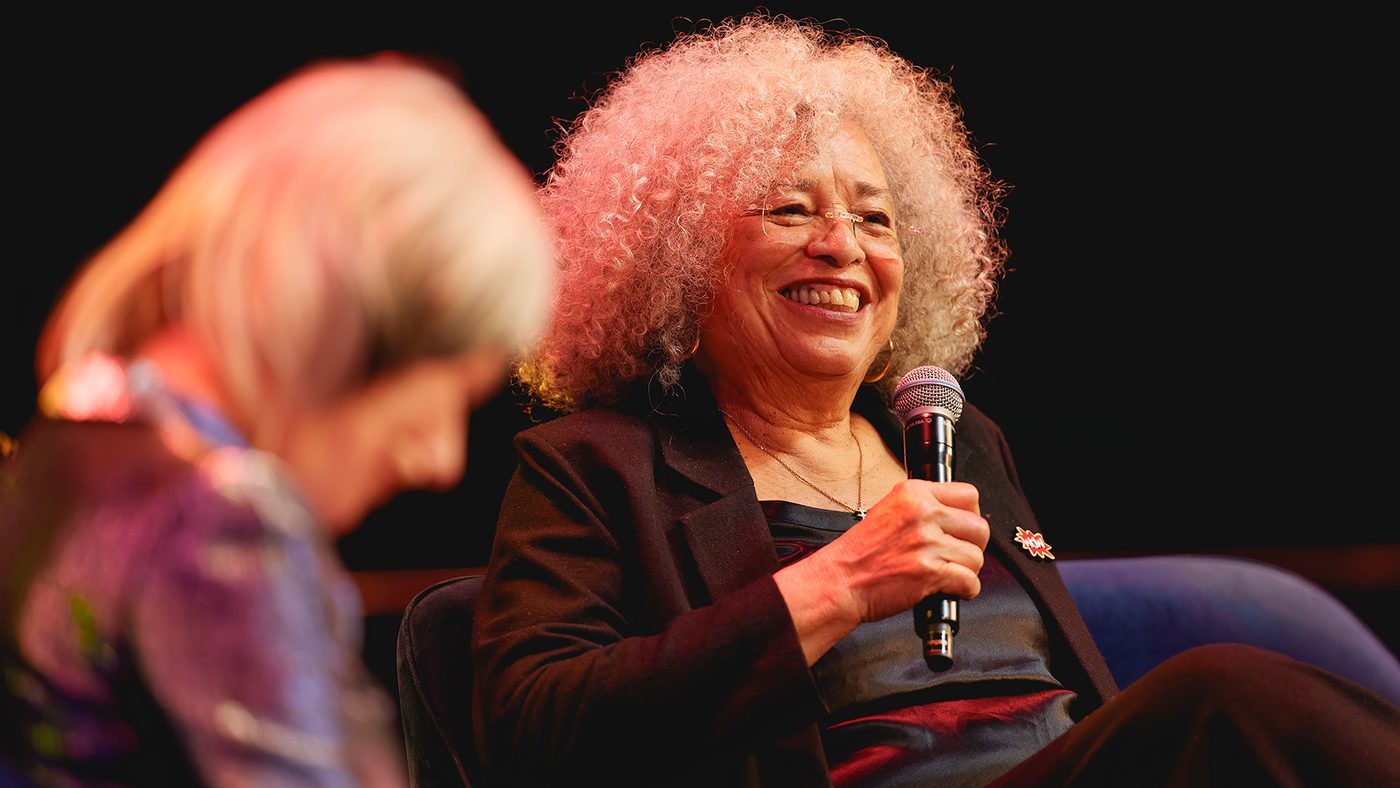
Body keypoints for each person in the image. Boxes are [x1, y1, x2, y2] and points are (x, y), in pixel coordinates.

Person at [469, 13, 1400, 787]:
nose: (842, 245)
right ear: (675, 259)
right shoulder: (594, 465)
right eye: (790, 209)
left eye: (875, 218)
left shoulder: (956, 438)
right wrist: (836, 583)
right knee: (1221, 698)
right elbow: (528, 731)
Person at [0, 53, 554, 786]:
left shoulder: (65, 444)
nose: (440, 459)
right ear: (340, 320)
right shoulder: (224, 518)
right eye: (448, 390)